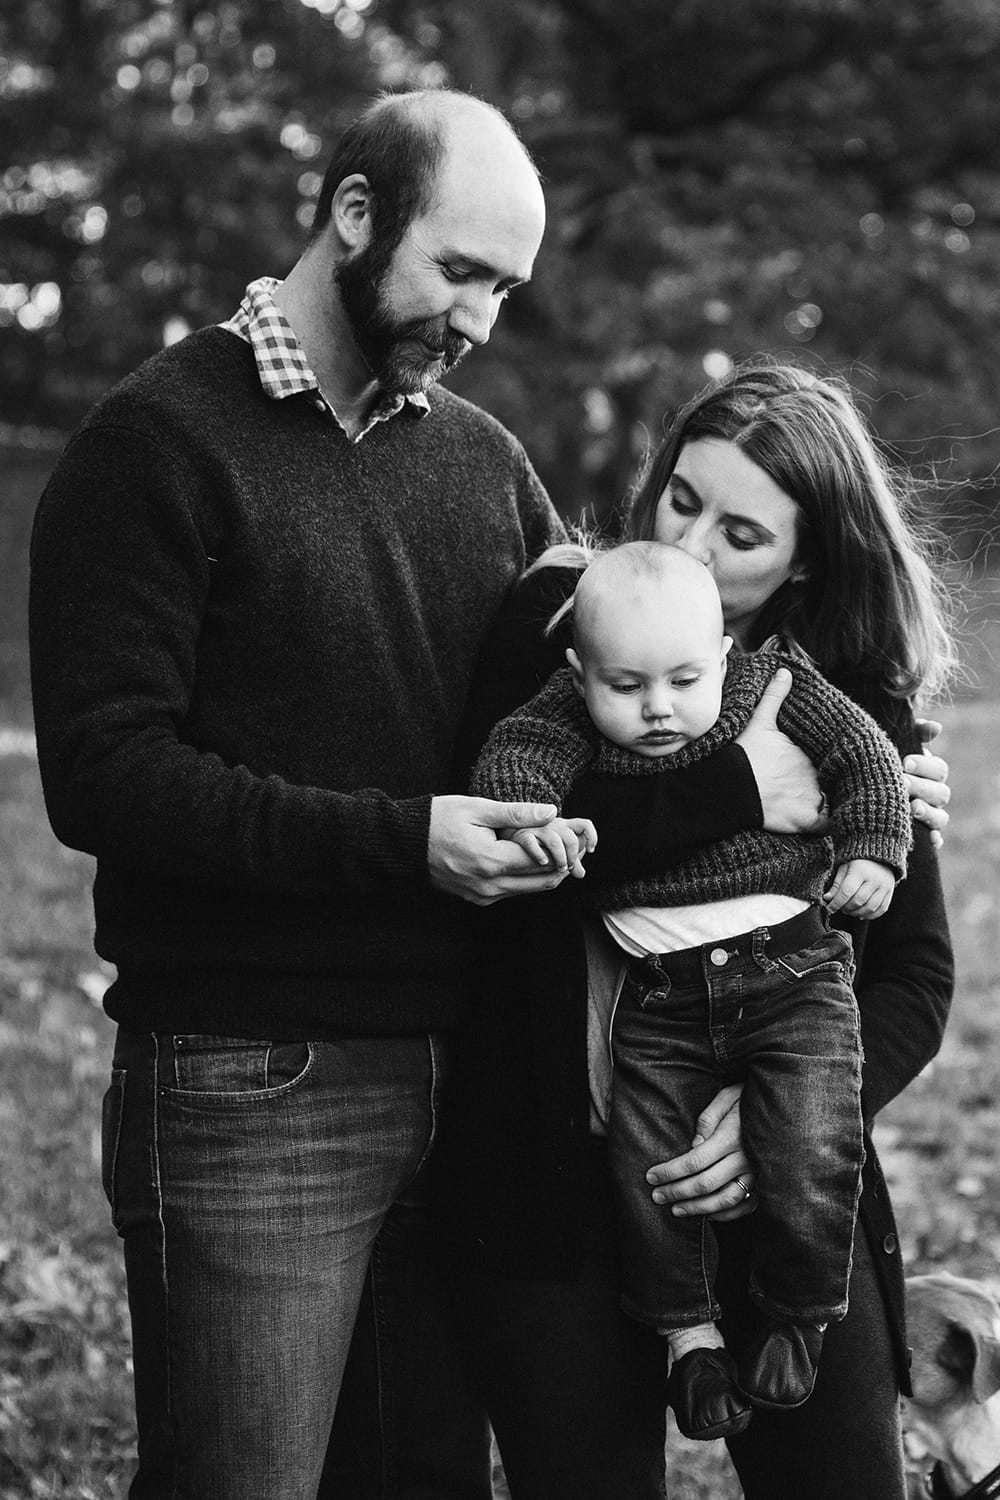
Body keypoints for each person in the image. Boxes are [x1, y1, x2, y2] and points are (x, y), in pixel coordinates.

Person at [28, 88, 829, 1499]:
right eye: (458, 271)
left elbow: (632, 692)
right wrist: (408, 844)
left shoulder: (481, 459)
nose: (478, 319)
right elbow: (106, 775)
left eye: (505, 288)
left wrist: (855, 751)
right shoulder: (155, 444)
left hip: (474, 1096)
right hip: (255, 1082)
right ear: (354, 214)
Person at [437, 360, 956, 1500]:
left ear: (806, 558)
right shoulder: (559, 624)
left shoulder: (850, 706)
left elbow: (916, 977)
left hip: (786, 1176)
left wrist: (779, 1119)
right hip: (560, 1185)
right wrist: (742, 790)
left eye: (743, 533)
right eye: (681, 500)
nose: (692, 545)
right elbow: (512, 843)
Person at [471, 540, 912, 1441]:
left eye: (682, 680)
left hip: (792, 974)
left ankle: (797, 1314)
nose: (658, 708)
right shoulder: (565, 715)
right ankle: (689, 1338)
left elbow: (866, 753)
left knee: (811, 1138)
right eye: (625, 686)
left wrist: (875, 848)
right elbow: (512, 759)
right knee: (648, 1169)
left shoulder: (772, 685)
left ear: (721, 654)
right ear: (580, 673)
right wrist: (534, 823)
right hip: (660, 998)